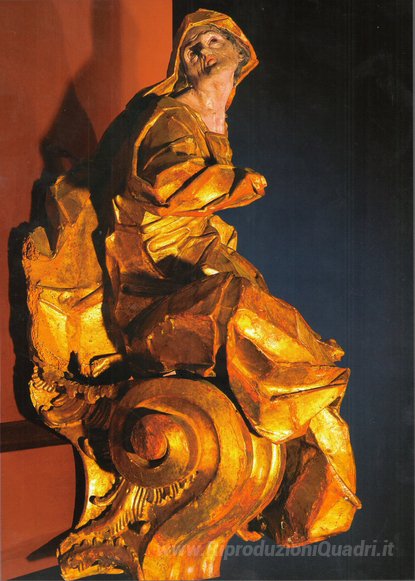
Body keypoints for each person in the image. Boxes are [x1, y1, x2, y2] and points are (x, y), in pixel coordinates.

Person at [24, 9, 360, 546]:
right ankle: (300, 430)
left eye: (215, 44)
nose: (203, 53)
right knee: (235, 308)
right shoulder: (172, 115)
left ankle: (308, 449)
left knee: (278, 324)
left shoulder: (210, 128)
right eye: (194, 46)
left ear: (240, 60)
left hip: (183, 277)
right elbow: (163, 182)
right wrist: (233, 184)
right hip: (148, 291)